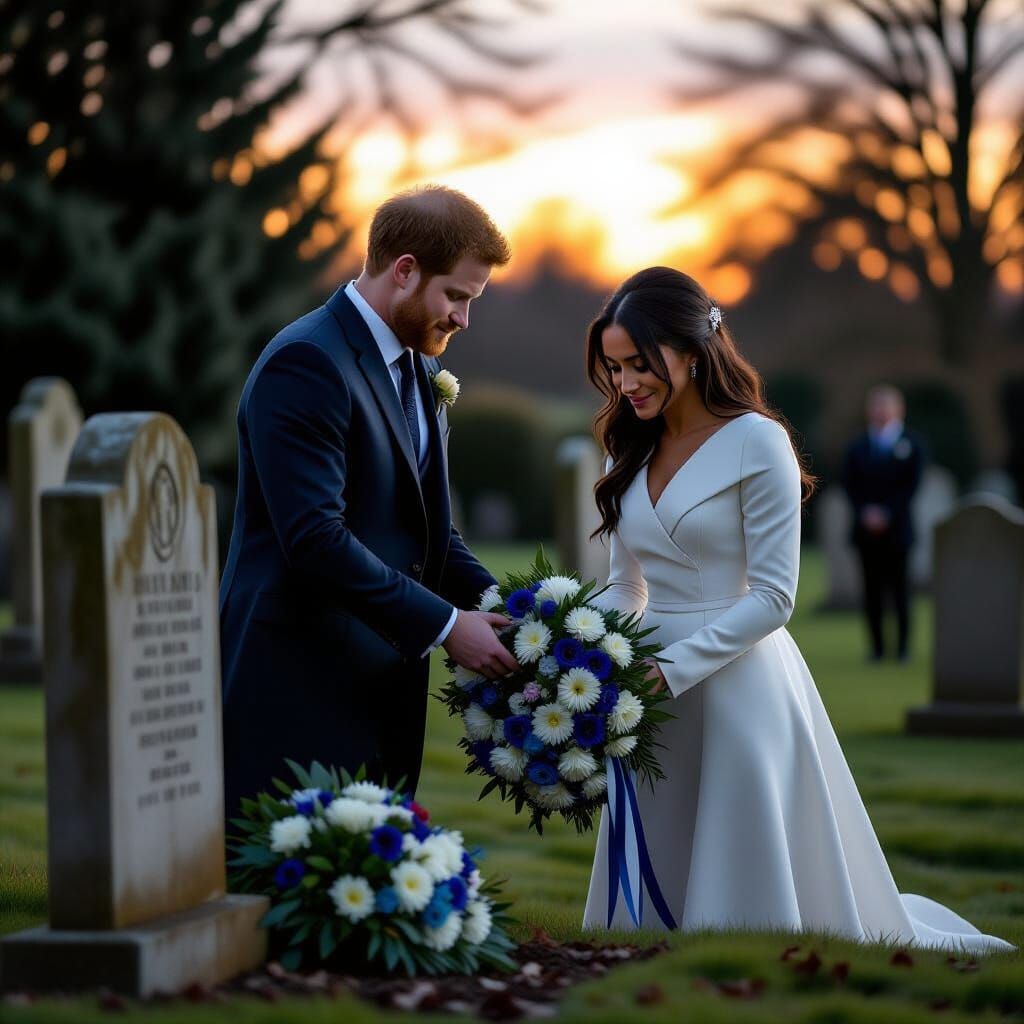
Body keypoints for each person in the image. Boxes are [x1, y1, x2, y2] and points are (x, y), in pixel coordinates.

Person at [579, 267, 1010, 953]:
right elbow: (625, 586)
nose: (626, 383)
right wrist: (588, 653)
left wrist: (673, 667)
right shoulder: (627, 443)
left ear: (692, 350)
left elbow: (775, 596)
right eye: (614, 367)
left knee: (743, 859)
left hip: (735, 680)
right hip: (644, 692)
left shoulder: (758, 441)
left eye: (639, 364)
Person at [219, 186, 519, 823]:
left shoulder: (413, 366)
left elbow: (432, 535)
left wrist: (511, 615)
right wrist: (445, 626)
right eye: (457, 296)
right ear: (404, 270)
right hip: (299, 682)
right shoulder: (307, 362)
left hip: (380, 681)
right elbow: (315, 539)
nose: (463, 319)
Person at [841, 387, 925, 662]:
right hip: (866, 531)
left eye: (886, 406)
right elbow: (850, 484)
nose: (880, 411)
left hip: (898, 530)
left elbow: (912, 485)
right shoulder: (858, 446)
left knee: (900, 590)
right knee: (871, 591)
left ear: (898, 410)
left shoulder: (912, 443)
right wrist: (866, 512)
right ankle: (876, 649)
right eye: (876, 406)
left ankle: (902, 649)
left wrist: (887, 513)